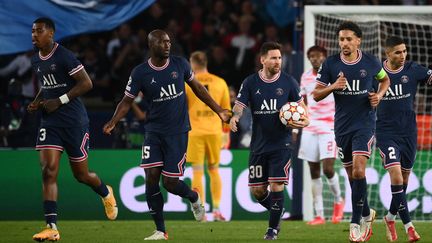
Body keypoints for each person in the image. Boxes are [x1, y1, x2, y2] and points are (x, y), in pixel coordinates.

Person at [103, 29, 230, 240]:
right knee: (151, 177)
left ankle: (193, 196)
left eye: (169, 41)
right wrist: (113, 121)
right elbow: (126, 101)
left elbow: (198, 87)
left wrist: (218, 110)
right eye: (162, 42)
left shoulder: (180, 64)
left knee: (169, 183)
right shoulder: (140, 73)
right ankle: (161, 230)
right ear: (151, 45)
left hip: (178, 132)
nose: (167, 45)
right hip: (153, 131)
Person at [28, 17, 117, 242]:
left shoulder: (64, 56)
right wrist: (37, 101)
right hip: (50, 123)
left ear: (51, 34)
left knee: (81, 175)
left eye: (38, 31)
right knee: (48, 170)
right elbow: (47, 86)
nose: (34, 35)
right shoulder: (35, 59)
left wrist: (59, 100)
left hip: (74, 122)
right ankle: (51, 226)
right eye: (32, 31)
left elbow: (87, 83)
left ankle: (105, 192)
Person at [313, 21, 390, 242]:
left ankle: (356, 223)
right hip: (342, 127)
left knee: (358, 171)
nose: (344, 43)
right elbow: (316, 95)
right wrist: (333, 86)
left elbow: (385, 80)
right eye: (341, 39)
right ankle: (367, 212)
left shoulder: (371, 62)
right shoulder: (330, 64)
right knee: (352, 177)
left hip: (364, 124)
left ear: (358, 40)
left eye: (348, 39)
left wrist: (379, 95)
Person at [229, 41, 309, 240]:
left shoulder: (289, 82)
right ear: (262, 59)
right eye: (273, 58)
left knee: (276, 186)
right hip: (258, 146)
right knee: (257, 191)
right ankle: (277, 210)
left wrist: (303, 121)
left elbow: (303, 112)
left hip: (281, 145)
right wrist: (235, 117)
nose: (278, 61)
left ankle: (272, 229)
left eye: (280, 57)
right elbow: (239, 105)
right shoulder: (250, 82)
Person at [378, 36, 430, 242]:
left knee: (404, 180)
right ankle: (409, 226)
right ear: (387, 54)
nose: (403, 55)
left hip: (409, 132)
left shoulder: (412, 69)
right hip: (385, 133)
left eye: (404, 51)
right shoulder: (376, 74)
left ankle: (390, 218)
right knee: (397, 177)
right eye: (398, 52)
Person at [297, 45, 344, 225]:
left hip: (329, 127)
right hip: (310, 127)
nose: (315, 59)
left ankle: (339, 201)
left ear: (324, 57)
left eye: (318, 56)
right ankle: (319, 215)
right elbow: (304, 101)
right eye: (312, 57)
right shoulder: (306, 76)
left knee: (328, 169)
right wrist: (296, 127)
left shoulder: (334, 74)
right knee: (313, 171)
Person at [185, 51, 231, 222]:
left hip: (195, 132)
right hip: (214, 131)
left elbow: (183, 107)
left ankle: (202, 212)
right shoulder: (220, 82)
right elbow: (226, 110)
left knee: (197, 171)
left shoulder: (188, 83)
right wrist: (226, 133)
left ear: (193, 63)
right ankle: (217, 210)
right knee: (214, 170)